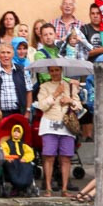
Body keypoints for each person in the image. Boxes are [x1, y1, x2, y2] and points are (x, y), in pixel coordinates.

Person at [37, 65, 82, 197]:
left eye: (57, 70)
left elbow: (79, 106)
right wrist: (55, 94)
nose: (55, 73)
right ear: (49, 72)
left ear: (61, 71)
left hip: (66, 125)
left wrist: (70, 101)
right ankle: (49, 188)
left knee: (66, 157)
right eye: (52, 70)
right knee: (49, 157)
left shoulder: (70, 85)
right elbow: (42, 106)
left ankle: (64, 189)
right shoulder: (44, 87)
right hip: (49, 124)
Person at [0, 42, 30, 116]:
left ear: (13, 54)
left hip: (19, 113)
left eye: (8, 52)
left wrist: (28, 111)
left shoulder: (22, 70)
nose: (5, 55)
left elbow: (29, 91)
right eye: (3, 52)